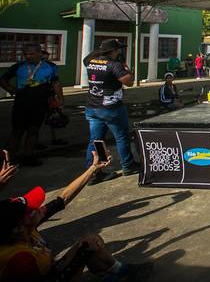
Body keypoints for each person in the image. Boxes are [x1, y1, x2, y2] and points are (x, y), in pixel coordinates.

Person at [0, 154, 153, 281]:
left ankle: (117, 271)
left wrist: (93, 168)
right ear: (18, 228)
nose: (37, 208)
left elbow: (63, 199)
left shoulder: (26, 227)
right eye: (31, 211)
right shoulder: (19, 259)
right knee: (87, 247)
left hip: (51, 270)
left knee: (90, 242)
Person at [83, 39, 139, 182]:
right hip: (111, 108)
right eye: (118, 49)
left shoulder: (90, 61)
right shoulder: (114, 65)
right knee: (121, 136)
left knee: (95, 140)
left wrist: (102, 49)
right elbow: (129, 82)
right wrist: (126, 68)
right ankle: (128, 165)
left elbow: (86, 58)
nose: (120, 51)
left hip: (92, 107)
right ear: (113, 51)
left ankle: (93, 172)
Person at [0, 43, 63, 166]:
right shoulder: (18, 66)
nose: (28, 56)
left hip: (40, 103)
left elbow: (55, 83)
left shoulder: (50, 66)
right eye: (26, 54)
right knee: (17, 131)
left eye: (31, 54)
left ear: (40, 53)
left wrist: (60, 98)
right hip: (22, 104)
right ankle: (7, 161)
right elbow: (2, 79)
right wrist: (11, 90)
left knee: (34, 130)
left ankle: (29, 157)